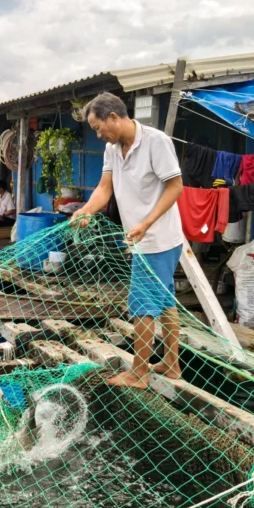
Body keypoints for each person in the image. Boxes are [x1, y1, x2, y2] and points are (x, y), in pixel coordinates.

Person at [72, 92, 184, 389]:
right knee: (164, 301)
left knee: (142, 304)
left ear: (114, 117)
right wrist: (86, 211)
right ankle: (172, 362)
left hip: (158, 238)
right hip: (139, 237)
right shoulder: (112, 149)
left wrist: (146, 223)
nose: (98, 134)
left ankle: (138, 373)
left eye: (98, 127)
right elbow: (104, 188)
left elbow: (176, 187)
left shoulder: (156, 142)